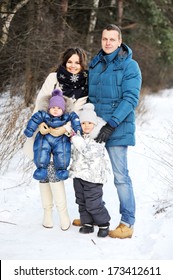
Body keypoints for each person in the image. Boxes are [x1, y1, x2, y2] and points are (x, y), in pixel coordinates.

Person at [23, 47, 88, 231]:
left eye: (77, 62)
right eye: (69, 62)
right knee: (43, 172)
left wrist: (65, 129)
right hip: (43, 134)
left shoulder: (85, 85)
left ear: (82, 64)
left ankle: (63, 213)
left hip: (62, 137)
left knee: (54, 172)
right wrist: (39, 125)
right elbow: (40, 101)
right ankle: (47, 213)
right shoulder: (54, 78)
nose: (73, 66)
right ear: (64, 62)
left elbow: (78, 113)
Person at [88, 24, 142, 238]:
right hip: (95, 127)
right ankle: (93, 214)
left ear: (120, 41)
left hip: (117, 128)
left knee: (120, 177)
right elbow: (91, 97)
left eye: (112, 39)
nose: (108, 42)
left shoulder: (130, 66)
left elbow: (130, 99)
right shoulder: (95, 64)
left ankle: (127, 223)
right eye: (104, 39)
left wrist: (111, 125)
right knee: (91, 173)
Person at [70, 103, 111, 238]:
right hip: (79, 176)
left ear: (95, 124)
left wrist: (75, 138)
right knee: (81, 201)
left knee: (93, 203)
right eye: (83, 123)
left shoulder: (98, 139)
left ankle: (104, 223)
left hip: (93, 178)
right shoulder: (79, 137)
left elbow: (87, 152)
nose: (86, 126)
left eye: (89, 123)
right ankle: (87, 223)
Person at [24, 89, 82, 181]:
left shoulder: (67, 115)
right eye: (53, 107)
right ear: (49, 108)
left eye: (59, 108)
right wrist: (30, 130)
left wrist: (78, 131)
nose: (56, 110)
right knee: (41, 150)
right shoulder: (43, 114)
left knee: (62, 152)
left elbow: (75, 120)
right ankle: (41, 169)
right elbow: (34, 119)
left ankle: (62, 170)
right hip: (45, 137)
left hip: (61, 139)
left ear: (63, 110)